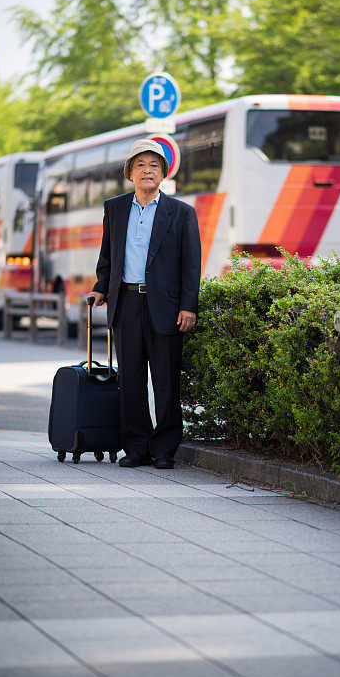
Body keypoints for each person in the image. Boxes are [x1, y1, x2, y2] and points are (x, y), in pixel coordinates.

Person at [88, 139, 201, 469]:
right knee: (132, 381)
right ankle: (136, 446)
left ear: (163, 174)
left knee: (166, 381)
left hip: (165, 308)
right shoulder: (115, 208)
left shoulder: (181, 213)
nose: (147, 170)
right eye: (140, 165)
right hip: (126, 304)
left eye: (154, 165)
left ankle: (164, 448)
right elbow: (107, 257)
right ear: (130, 173)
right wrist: (101, 288)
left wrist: (188, 306)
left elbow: (190, 265)